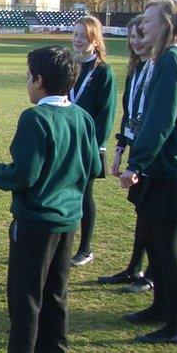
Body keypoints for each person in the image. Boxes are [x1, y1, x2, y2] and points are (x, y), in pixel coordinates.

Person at [0, 46, 101, 353]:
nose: (26, 82)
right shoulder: (82, 117)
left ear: (39, 80)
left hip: (35, 223)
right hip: (67, 223)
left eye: (28, 75)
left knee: (26, 300)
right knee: (55, 297)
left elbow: (24, 174)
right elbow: (94, 167)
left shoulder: (35, 118)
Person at [120, 0, 177, 345]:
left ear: (167, 25)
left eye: (150, 21)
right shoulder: (175, 57)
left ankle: (176, 325)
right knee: (157, 245)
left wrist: (136, 163)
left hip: (172, 171)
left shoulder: (173, 59)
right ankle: (159, 309)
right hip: (165, 168)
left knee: (167, 249)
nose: (144, 26)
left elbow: (161, 120)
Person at [98, 16, 154, 293]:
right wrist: (120, 150)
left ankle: (151, 274)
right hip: (136, 148)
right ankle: (134, 268)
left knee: (153, 215)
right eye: (132, 37)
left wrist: (138, 159)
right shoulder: (136, 69)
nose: (136, 42)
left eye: (141, 36)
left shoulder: (158, 70)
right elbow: (129, 114)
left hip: (152, 154)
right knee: (142, 212)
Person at [69, 16, 117, 266]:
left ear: (95, 40)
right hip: (66, 143)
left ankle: (85, 249)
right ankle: (64, 243)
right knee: (65, 194)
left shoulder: (103, 72)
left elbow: (106, 116)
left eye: (83, 36)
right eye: (75, 34)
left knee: (84, 196)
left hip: (87, 147)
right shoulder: (70, 66)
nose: (77, 40)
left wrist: (90, 146)